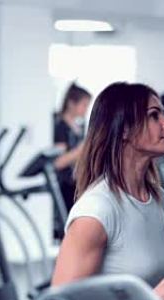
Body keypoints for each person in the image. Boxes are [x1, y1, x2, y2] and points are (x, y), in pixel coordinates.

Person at [52, 82, 164, 300]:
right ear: (124, 129)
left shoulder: (157, 199)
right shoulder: (96, 212)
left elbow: (155, 286)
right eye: (154, 116)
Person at [53, 83, 92, 239]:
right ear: (71, 103)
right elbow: (58, 162)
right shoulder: (61, 127)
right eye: (83, 105)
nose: (85, 109)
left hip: (77, 183)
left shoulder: (78, 128)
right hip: (65, 186)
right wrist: (81, 150)